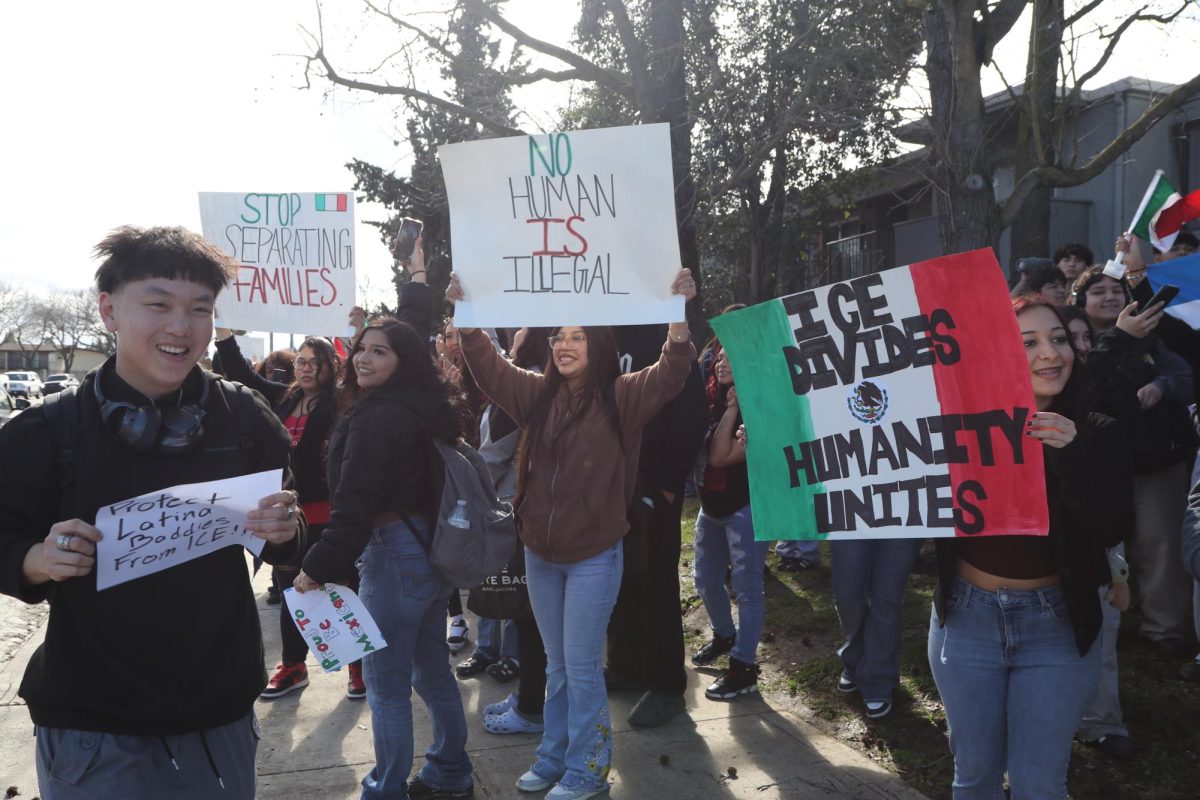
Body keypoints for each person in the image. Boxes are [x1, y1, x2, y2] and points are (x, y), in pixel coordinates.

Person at [0, 225, 302, 800]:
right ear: (109, 310)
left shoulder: (242, 418)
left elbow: (289, 534)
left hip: (219, 718)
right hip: (92, 726)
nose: (180, 327)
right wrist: (36, 559)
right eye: (158, 304)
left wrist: (285, 531)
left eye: (199, 309)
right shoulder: (46, 431)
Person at [448, 268, 696, 800]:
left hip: (594, 557)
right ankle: (554, 757)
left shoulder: (622, 396)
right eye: (558, 336)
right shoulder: (536, 395)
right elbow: (489, 369)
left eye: (577, 336)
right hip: (540, 553)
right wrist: (466, 314)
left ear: (598, 344)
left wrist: (677, 318)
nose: (564, 344)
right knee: (558, 664)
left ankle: (589, 770)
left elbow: (671, 374)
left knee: (582, 667)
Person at [928, 295, 1134, 798]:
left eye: (1059, 339)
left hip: (1058, 627)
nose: (1050, 353)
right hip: (966, 620)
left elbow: (1111, 525)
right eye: (1029, 343)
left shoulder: (1098, 431)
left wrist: (1073, 455)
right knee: (974, 775)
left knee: (1038, 785)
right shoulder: (957, 423)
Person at [295, 314, 473, 800]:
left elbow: (354, 504)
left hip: (393, 556)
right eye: (361, 349)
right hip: (426, 555)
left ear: (404, 360)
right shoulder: (420, 405)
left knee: (387, 686)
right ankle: (451, 771)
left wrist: (316, 565)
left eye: (380, 351)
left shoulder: (379, 415)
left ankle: (385, 788)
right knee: (432, 671)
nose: (364, 359)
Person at [1073, 266, 1196, 657]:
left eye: (1117, 290)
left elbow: (1184, 375)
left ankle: (1164, 629)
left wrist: (1161, 385)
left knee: (1161, 546)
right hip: (1097, 467)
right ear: (1081, 302)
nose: (1110, 298)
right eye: (1099, 291)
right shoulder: (1072, 340)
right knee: (1100, 547)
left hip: (1156, 461)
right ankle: (1103, 623)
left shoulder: (1155, 339)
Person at [604, 320, 707, 727]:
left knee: (656, 579)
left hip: (653, 485)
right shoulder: (598, 333)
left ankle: (666, 686)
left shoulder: (667, 334)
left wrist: (666, 484)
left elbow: (691, 415)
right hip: (609, 484)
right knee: (619, 577)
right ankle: (627, 666)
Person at [690, 342, 769, 700]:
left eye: (729, 357)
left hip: (745, 510)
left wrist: (736, 406)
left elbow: (720, 457)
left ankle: (743, 666)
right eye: (719, 356)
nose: (720, 362)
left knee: (747, 588)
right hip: (711, 508)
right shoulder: (709, 397)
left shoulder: (757, 405)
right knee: (705, 579)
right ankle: (725, 635)